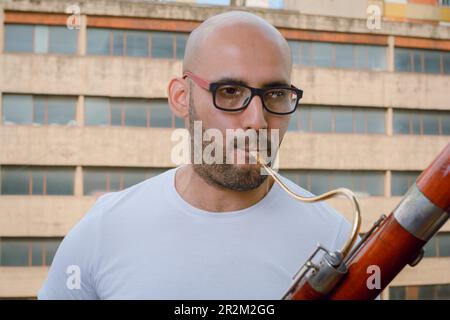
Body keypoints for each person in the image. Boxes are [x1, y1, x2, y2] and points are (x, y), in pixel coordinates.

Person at [38, 11, 353, 300]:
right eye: (230, 91)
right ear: (180, 97)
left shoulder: (335, 237)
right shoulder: (103, 229)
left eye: (276, 94)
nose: (257, 121)